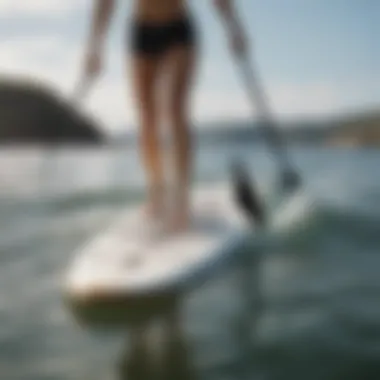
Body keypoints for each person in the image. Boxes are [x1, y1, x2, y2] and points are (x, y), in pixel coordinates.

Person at [82, 0, 247, 232]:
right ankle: (157, 191)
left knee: (175, 109)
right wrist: (94, 47)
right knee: (146, 118)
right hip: (142, 31)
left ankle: (181, 198)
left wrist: (233, 28)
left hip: (177, 29)